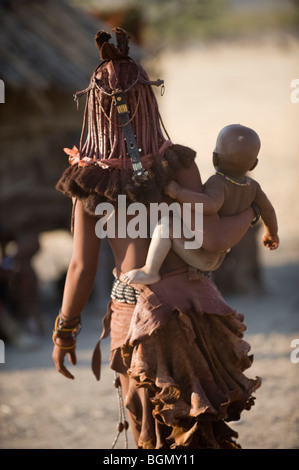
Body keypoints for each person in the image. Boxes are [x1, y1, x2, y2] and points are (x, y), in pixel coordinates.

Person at [52, 28, 261, 449]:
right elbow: (208, 226)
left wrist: (65, 333)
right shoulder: (179, 165)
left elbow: (81, 267)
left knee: (151, 427)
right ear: (148, 99)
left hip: (137, 316)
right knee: (199, 425)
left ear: (94, 108)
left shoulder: (89, 183)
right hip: (194, 307)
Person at [123, 124, 279, 285]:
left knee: (166, 226)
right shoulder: (253, 187)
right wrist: (271, 233)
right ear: (254, 164)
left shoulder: (218, 182)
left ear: (214, 158)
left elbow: (210, 205)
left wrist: (178, 192)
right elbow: (268, 210)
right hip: (219, 255)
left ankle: (150, 271)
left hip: (202, 255)